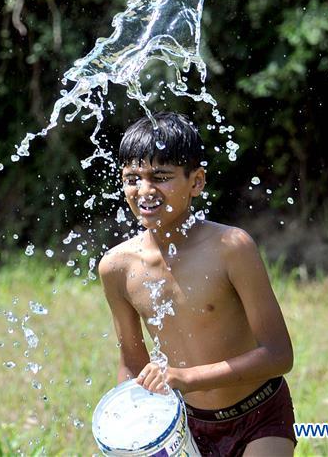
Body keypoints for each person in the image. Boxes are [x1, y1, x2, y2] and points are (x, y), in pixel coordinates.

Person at [99, 111, 296, 456]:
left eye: (160, 176)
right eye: (132, 178)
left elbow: (279, 355)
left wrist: (186, 378)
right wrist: (129, 431)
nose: (145, 190)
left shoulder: (231, 248)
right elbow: (132, 363)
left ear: (197, 181)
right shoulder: (116, 267)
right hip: (181, 425)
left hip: (260, 413)